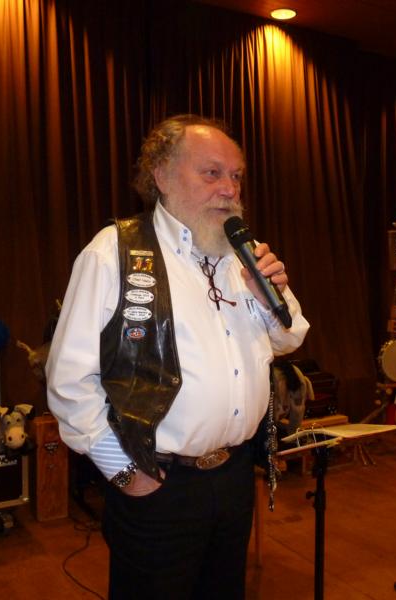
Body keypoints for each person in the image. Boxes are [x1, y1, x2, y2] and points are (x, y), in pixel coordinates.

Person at [45, 114, 309, 599]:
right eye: (212, 173)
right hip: (158, 483)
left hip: (234, 477)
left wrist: (266, 296)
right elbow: (69, 381)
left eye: (236, 176)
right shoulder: (115, 251)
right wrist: (125, 472)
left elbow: (290, 338)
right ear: (162, 176)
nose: (229, 188)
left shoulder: (242, 252)